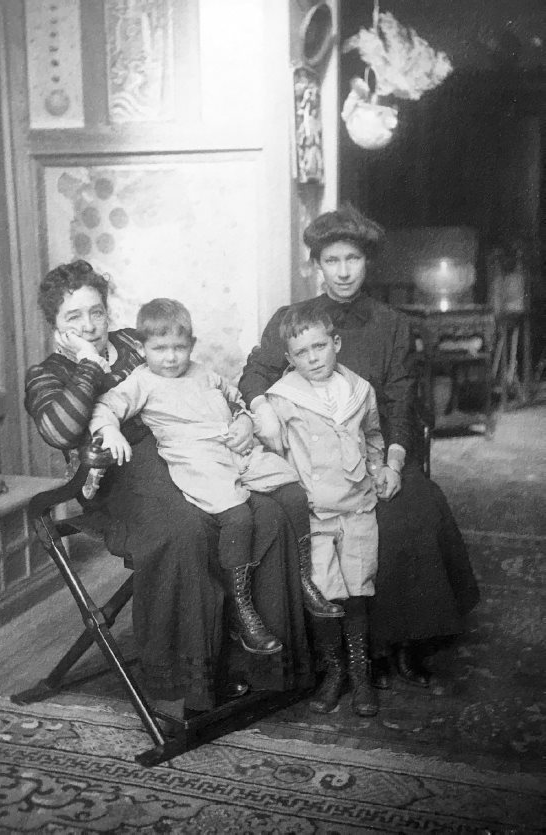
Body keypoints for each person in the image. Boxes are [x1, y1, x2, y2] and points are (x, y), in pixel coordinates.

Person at [25, 260, 314, 713]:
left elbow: (198, 384)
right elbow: (61, 432)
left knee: (269, 512)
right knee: (187, 531)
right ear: (55, 326)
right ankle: (187, 688)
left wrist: (239, 420)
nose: (89, 326)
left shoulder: (130, 342)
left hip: (188, 456)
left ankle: (263, 664)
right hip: (117, 480)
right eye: (73, 318)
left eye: (96, 312)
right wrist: (85, 365)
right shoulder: (46, 373)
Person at [239, 205, 480, 691]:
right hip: (309, 460)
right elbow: (254, 375)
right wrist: (261, 409)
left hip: (373, 451)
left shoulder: (391, 323)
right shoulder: (291, 320)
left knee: (414, 509)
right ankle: (340, 653)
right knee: (309, 519)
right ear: (316, 265)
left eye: (353, 259)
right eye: (332, 260)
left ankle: (406, 643)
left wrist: (393, 460)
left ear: (367, 264)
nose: (344, 271)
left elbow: (398, 400)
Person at [89, 298, 343, 656]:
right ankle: (240, 606)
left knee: (292, 492)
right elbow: (105, 407)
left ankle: (303, 578)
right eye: (159, 349)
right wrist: (109, 431)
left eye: (179, 348)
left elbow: (236, 399)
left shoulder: (203, 372)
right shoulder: (141, 382)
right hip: (198, 460)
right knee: (237, 515)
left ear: (191, 345)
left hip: (235, 449)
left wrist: (242, 421)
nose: (170, 357)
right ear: (143, 348)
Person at [265, 301, 384, 716]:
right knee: (323, 593)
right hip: (315, 515)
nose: (313, 358)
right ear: (289, 359)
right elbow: (270, 448)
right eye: (301, 353)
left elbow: (372, 436)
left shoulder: (359, 390)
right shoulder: (282, 399)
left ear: (335, 343)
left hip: (357, 508)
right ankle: (333, 671)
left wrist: (379, 466)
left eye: (319, 347)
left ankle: (360, 673)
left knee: (357, 591)